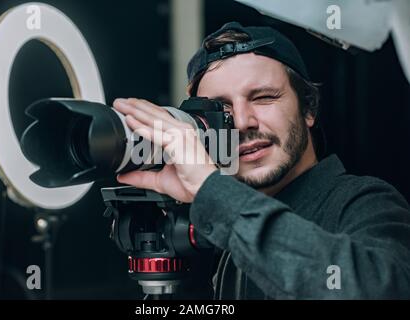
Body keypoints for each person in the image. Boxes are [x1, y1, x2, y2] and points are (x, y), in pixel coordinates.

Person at [112, 22, 410, 299]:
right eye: (223, 110)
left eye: (263, 97)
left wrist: (210, 189)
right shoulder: (213, 225)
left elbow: (376, 288)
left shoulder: (363, 204)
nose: (242, 122)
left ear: (308, 109)